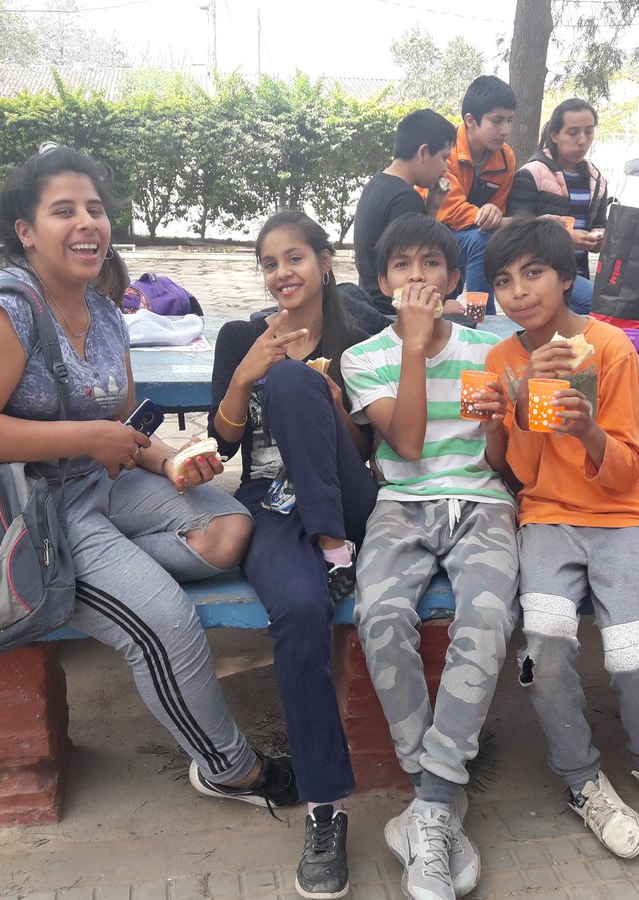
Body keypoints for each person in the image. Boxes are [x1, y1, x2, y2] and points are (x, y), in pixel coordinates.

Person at [0, 144, 300, 835]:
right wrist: (88, 442)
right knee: (167, 625)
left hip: (104, 486)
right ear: (26, 230)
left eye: (95, 209)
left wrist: (165, 461)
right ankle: (228, 768)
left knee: (232, 527)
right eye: (63, 211)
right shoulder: (5, 312)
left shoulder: (103, 311)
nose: (86, 224)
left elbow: (117, 427)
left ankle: (115, 575)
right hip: (33, 512)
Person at [483, 217, 639, 861]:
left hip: (620, 515)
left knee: (637, 656)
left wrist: (587, 430)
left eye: (533, 273)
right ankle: (581, 778)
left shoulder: (609, 349)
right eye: (503, 280)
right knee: (545, 652)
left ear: (566, 276)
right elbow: (517, 473)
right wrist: (516, 405)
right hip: (547, 518)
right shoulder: (502, 359)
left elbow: (629, 467)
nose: (519, 292)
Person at [340, 213, 519, 900]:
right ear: (383, 282)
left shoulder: (490, 353)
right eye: (403, 265)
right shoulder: (366, 359)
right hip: (402, 503)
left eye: (432, 264)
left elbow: (502, 464)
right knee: (379, 615)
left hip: (482, 504)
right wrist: (414, 349)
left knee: (487, 615)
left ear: (452, 278)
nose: (418, 275)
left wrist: (505, 421)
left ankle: (431, 808)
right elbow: (408, 447)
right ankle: (437, 797)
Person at [207, 209, 379, 899]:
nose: (283, 273)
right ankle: (324, 808)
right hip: (270, 506)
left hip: (345, 497)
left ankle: (335, 545)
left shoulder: (361, 338)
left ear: (325, 260)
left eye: (295, 258)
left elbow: (370, 452)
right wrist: (246, 376)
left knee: (294, 383)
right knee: (302, 608)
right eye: (270, 262)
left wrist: (329, 401)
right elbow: (223, 445)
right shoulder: (240, 335)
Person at [507, 97, 607, 315]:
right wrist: (565, 239)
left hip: (578, 274)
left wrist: (600, 237)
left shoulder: (596, 180)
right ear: (554, 135)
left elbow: (600, 223)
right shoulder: (532, 174)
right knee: (600, 305)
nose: (582, 140)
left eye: (589, 132)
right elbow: (516, 230)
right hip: (540, 273)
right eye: (573, 133)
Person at [353, 109, 456, 318]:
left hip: (371, 300)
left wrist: (433, 208)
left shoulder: (377, 184)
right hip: (392, 308)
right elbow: (416, 262)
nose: (445, 168)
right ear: (423, 152)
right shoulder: (405, 198)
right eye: (444, 158)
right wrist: (442, 305)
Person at [434, 75, 518, 315]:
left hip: (477, 234)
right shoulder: (445, 152)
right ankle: (482, 318)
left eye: (510, 121)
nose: (505, 130)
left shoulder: (506, 157)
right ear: (470, 120)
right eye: (497, 121)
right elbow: (451, 211)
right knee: (482, 242)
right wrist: (494, 219)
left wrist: (495, 216)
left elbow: (497, 210)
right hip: (435, 231)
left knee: (488, 240)